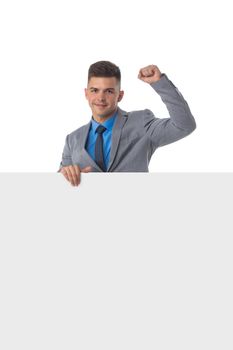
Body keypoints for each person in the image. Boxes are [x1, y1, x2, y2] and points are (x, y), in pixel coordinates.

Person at [58, 60, 196, 186]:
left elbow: (184, 125)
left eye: (109, 91)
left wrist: (159, 83)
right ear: (86, 93)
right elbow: (58, 184)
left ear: (120, 95)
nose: (100, 98)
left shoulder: (141, 122)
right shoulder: (72, 139)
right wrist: (66, 175)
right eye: (94, 90)